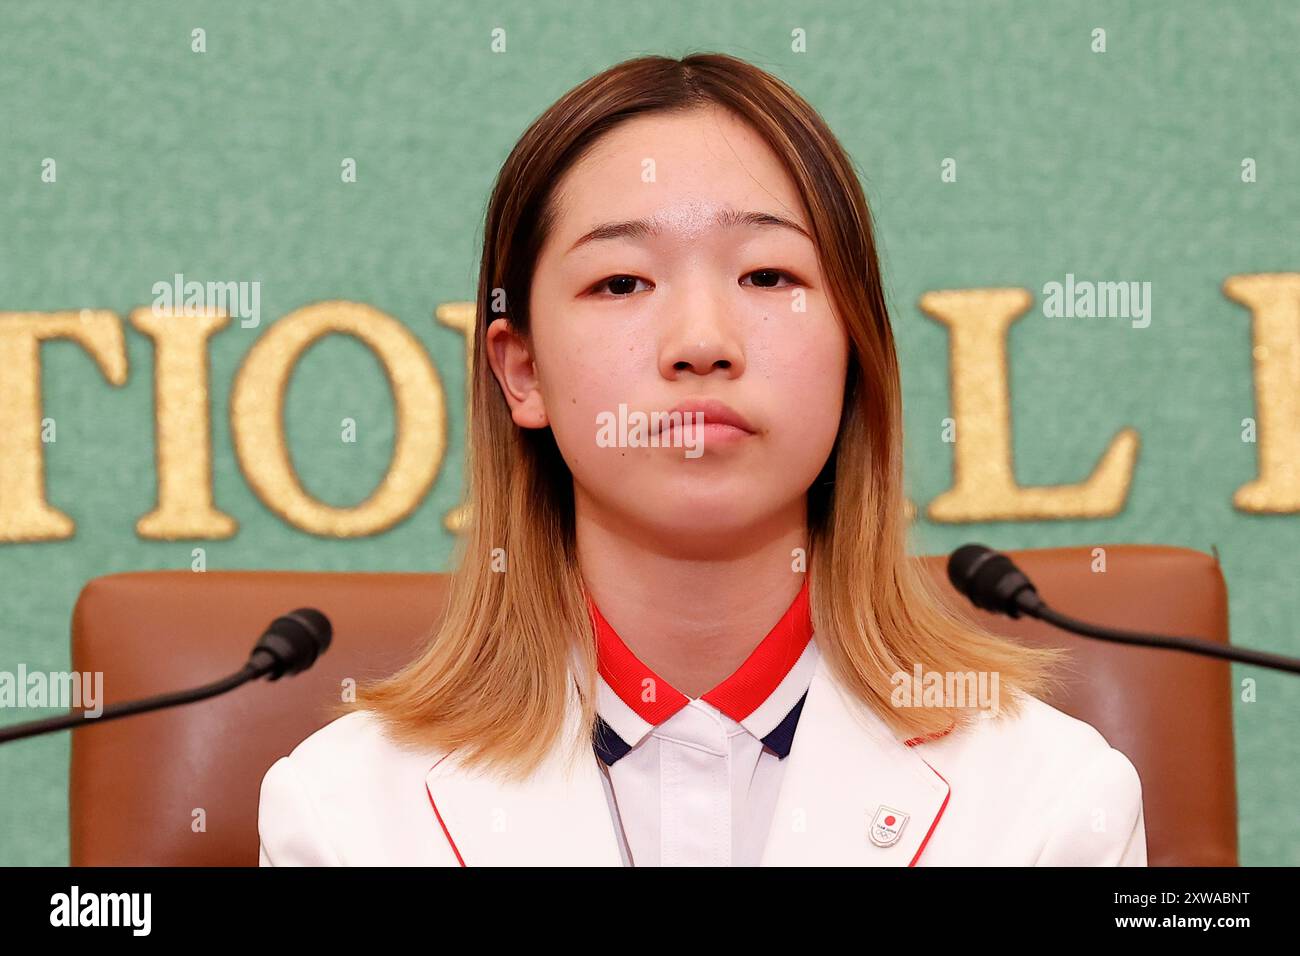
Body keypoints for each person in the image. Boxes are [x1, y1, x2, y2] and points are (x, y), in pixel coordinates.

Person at [257, 52, 1147, 867]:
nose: (700, 343)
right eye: (621, 282)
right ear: (521, 371)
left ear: (854, 354)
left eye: (766, 277)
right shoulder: (345, 815)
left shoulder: (1053, 804)